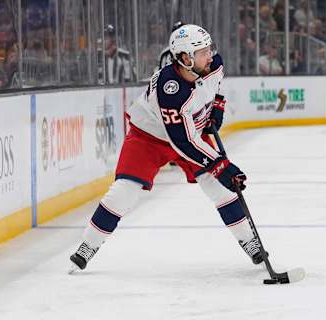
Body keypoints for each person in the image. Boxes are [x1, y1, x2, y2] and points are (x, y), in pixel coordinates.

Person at [69, 24, 265, 272]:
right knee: (124, 192)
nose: (210, 55)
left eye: (209, 49)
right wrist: (221, 165)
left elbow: (216, 89)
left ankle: (250, 242)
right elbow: (182, 141)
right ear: (185, 58)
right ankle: (87, 245)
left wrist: (216, 109)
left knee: (220, 187)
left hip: (189, 131)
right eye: (202, 51)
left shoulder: (213, 63)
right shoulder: (169, 87)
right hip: (149, 137)